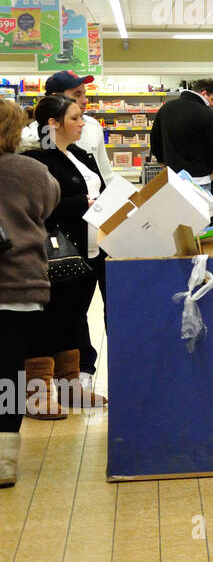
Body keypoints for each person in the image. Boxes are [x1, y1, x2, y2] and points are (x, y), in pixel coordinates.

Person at [25, 95, 109, 412]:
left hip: (89, 249)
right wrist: (82, 205)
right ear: (53, 123)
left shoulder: (79, 154)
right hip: (57, 251)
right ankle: (37, 393)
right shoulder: (38, 160)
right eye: (75, 118)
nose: (82, 123)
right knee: (49, 320)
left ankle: (69, 386)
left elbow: (98, 188)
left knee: (74, 319)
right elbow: (42, 206)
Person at [0, 99, 62, 483]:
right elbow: (49, 206)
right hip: (19, 287)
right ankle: (4, 458)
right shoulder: (32, 171)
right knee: (7, 375)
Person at [20, 71, 118, 187]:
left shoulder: (93, 126)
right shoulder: (30, 136)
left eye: (84, 94)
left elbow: (105, 172)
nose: (85, 100)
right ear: (57, 98)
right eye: (77, 94)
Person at [149, 78, 213, 193]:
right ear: (204, 93)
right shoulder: (206, 114)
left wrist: (162, 161)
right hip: (199, 179)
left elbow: (155, 140)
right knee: (201, 210)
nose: (212, 104)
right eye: (212, 99)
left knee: (176, 210)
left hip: (172, 178)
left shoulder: (166, 109)